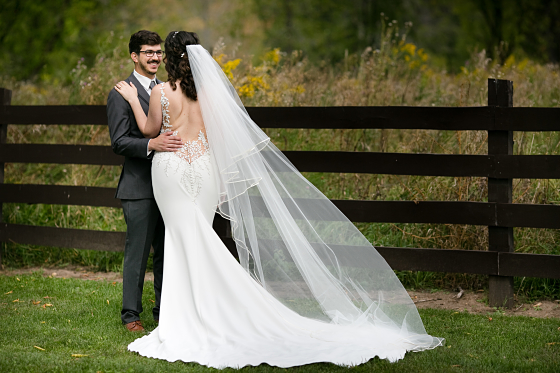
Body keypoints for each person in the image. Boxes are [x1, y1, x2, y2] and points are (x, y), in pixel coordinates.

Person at [114, 30, 443, 368]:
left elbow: (149, 131)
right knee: (197, 238)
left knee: (183, 238)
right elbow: (216, 137)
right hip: (204, 169)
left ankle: (192, 312)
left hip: (172, 171)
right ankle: (201, 308)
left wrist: (130, 101)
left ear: (168, 57)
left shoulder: (161, 92)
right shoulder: (209, 94)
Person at [107, 30, 182, 332]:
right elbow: (120, 141)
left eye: (158, 52)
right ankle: (130, 316)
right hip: (139, 187)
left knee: (167, 252)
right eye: (148, 52)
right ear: (134, 56)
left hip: (171, 184)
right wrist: (151, 145)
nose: (155, 57)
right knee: (137, 253)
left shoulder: (166, 90)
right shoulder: (120, 92)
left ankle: (163, 312)